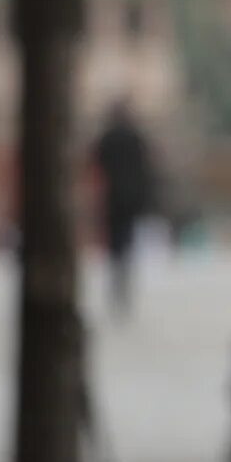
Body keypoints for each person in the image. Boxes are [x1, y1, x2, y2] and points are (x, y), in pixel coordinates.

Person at [89, 102, 158, 316]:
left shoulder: (107, 138)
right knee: (126, 241)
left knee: (115, 243)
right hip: (132, 199)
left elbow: (94, 164)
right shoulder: (136, 138)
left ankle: (117, 286)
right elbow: (147, 167)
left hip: (112, 198)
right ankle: (124, 287)